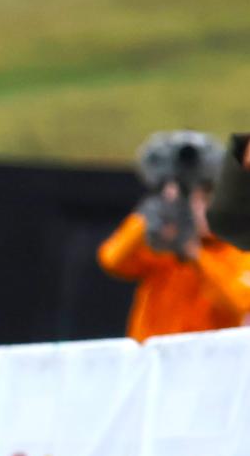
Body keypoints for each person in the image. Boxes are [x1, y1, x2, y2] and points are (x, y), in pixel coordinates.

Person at [98, 130, 250, 341]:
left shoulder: (237, 249)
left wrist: (197, 256)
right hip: (154, 364)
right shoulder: (166, 244)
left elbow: (241, 302)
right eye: (197, 200)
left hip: (209, 365)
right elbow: (112, 260)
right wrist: (154, 213)